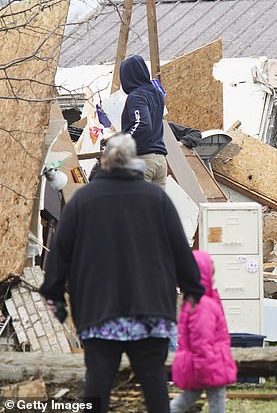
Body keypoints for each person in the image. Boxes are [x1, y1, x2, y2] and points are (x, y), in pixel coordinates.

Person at [40, 134, 205, 413]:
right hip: (151, 311)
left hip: (99, 311)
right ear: (135, 163)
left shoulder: (83, 201)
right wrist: (193, 289)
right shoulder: (156, 199)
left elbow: (60, 252)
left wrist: (53, 293)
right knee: (154, 383)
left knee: (97, 384)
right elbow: (180, 250)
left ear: (104, 161)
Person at [170, 251, 237, 413]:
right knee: (217, 404)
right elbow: (201, 340)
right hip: (210, 364)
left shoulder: (193, 301)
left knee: (185, 400)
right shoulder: (204, 305)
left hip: (204, 364)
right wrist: (205, 366)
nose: (213, 279)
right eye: (211, 275)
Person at [120, 55, 168, 188]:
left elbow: (142, 124)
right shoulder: (157, 93)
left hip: (143, 161)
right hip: (160, 161)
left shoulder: (136, 96)